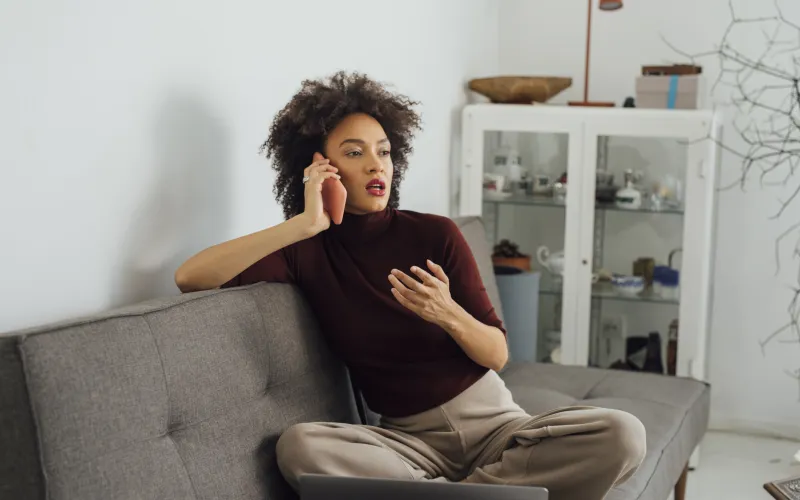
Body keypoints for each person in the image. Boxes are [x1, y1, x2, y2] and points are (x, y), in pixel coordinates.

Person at [174, 71, 646, 500]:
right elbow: (191, 277)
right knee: (300, 447)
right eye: (354, 153)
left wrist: (448, 313)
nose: (376, 165)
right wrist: (302, 223)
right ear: (320, 166)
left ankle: (447, 495)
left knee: (623, 435)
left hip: (499, 430)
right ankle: (484, 496)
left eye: (383, 150)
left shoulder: (435, 233)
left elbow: (497, 354)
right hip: (406, 445)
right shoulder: (307, 251)